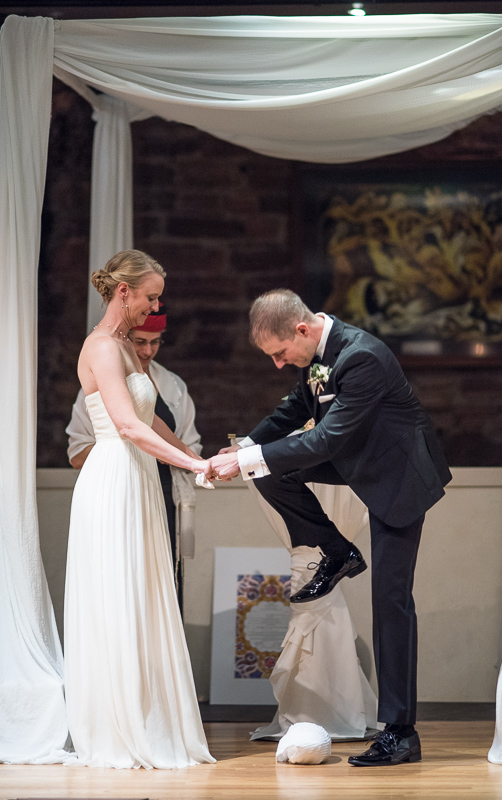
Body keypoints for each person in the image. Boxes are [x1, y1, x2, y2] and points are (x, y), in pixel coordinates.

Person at [210, 289, 451, 767]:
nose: (280, 364)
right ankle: (336, 551)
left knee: (391, 602)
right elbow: (296, 408)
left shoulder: (364, 356)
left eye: (280, 354)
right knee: (269, 471)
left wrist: (246, 460)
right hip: (357, 462)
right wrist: (245, 446)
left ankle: (401, 733)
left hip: (398, 477)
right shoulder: (315, 354)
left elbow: (326, 438)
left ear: (301, 330)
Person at [64, 249, 215, 769]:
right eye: (151, 295)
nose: (156, 304)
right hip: (113, 478)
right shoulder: (102, 347)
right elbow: (127, 426)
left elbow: (151, 422)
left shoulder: (128, 347)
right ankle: (116, 725)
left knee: (147, 595)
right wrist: (191, 468)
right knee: (117, 594)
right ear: (123, 292)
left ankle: (149, 715)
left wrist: (196, 459)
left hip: (141, 480)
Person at [66, 301, 200, 610]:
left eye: (155, 342)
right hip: (121, 480)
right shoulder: (101, 377)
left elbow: (187, 443)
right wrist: (142, 449)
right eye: (140, 341)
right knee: (125, 577)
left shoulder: (173, 385)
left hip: (165, 491)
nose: (148, 350)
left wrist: (197, 462)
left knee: (163, 577)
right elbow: (77, 453)